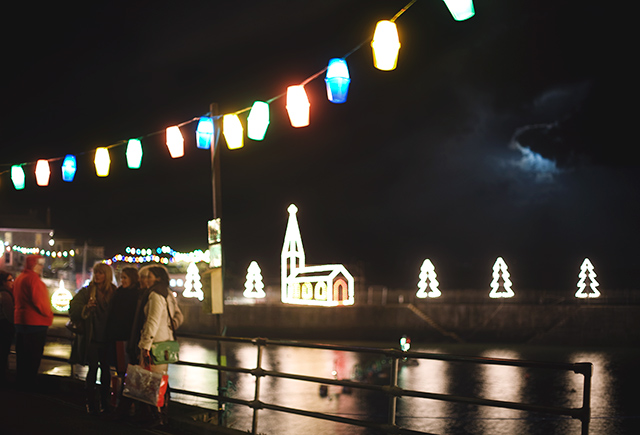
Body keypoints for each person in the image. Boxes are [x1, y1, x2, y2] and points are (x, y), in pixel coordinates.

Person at [138, 265, 183, 427]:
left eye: (148, 276)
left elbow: (152, 321)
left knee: (154, 383)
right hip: (165, 342)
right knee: (160, 381)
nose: (145, 279)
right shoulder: (167, 292)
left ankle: (158, 418)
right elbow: (179, 315)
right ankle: (161, 416)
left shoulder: (155, 295)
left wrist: (145, 345)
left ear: (157, 277)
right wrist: (170, 328)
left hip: (155, 343)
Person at [69, 263, 117, 414]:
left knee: (106, 370)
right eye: (96, 273)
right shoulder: (87, 291)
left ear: (107, 275)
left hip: (107, 338)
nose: (97, 276)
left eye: (101, 273)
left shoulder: (114, 293)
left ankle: (105, 401)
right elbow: (73, 307)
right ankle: (91, 402)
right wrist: (86, 308)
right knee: (92, 369)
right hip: (92, 336)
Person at [13, 255, 53, 390]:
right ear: (33, 265)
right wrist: (49, 315)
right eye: (40, 264)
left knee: (22, 357)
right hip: (36, 324)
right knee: (33, 357)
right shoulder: (34, 280)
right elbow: (40, 303)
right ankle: (29, 386)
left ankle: (21, 383)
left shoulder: (20, 278)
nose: (42, 267)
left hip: (20, 322)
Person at [107, 266, 140, 419]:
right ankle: (121, 403)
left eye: (125, 278)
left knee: (127, 370)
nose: (122, 281)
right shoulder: (121, 293)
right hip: (119, 336)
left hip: (127, 336)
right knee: (121, 370)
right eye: (122, 278)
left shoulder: (134, 295)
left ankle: (124, 405)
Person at [0, 271, 15, 387]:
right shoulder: (5, 295)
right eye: (10, 280)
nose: (12, 283)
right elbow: (10, 315)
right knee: (3, 353)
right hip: (4, 329)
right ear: (3, 282)